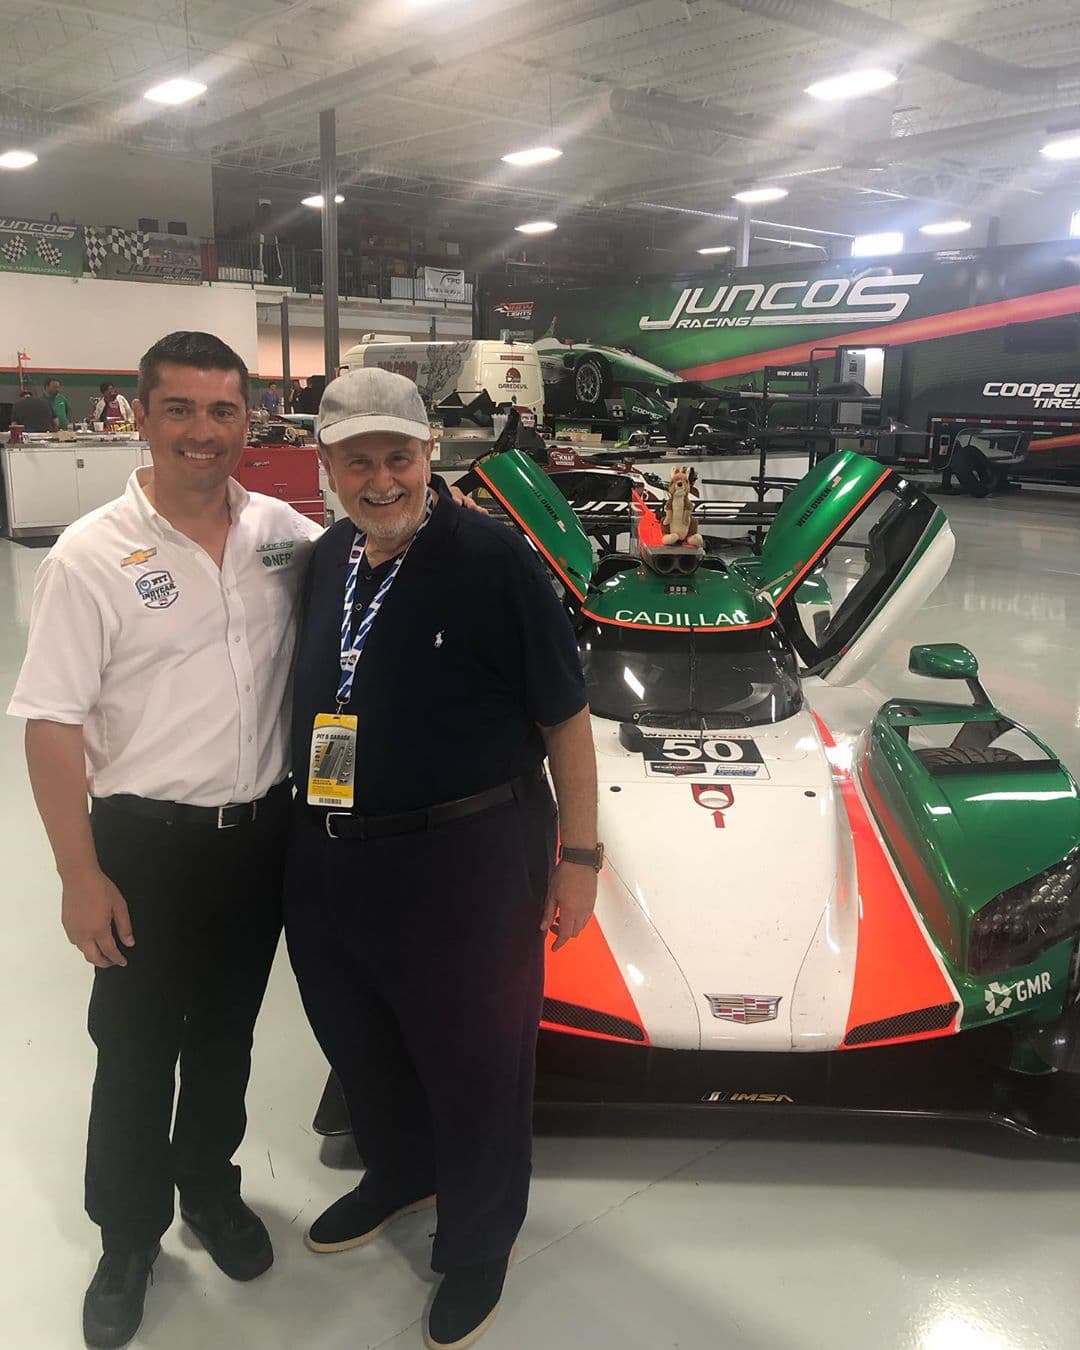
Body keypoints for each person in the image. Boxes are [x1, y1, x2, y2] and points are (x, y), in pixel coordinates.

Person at [8, 331, 325, 1349]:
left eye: (222, 411)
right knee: (137, 1050)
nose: (202, 431)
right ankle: (128, 1236)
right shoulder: (92, 555)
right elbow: (52, 720)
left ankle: (210, 1191)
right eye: (180, 410)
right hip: (143, 844)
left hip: (259, 837)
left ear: (248, 421)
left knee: (226, 1038)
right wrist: (78, 872)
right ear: (140, 417)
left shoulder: (285, 533)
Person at [286, 368, 600, 1350]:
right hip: (335, 853)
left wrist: (580, 855)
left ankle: (477, 1242)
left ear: (432, 455)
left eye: (400, 457)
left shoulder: (494, 561)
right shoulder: (329, 557)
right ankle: (399, 1172)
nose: (381, 481)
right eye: (358, 462)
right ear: (327, 466)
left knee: (477, 1062)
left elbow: (566, 716)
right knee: (360, 1035)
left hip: (467, 857)